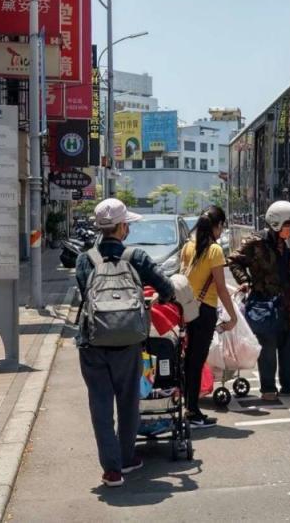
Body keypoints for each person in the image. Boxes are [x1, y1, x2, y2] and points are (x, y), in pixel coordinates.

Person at [75, 198, 175, 488]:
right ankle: (128, 457)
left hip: (93, 342)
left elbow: (86, 294)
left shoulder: (85, 259)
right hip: (129, 342)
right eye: (126, 224)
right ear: (121, 227)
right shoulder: (137, 257)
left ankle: (111, 469)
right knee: (128, 401)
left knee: (100, 403)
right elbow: (167, 288)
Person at [228, 201, 290, 402]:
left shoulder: (288, 243)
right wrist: (245, 281)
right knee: (267, 346)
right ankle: (268, 388)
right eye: (288, 226)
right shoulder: (256, 241)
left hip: (287, 302)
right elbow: (234, 260)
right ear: (276, 224)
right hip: (263, 302)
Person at [179, 206, 238, 428]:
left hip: (187, 309)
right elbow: (221, 288)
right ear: (217, 225)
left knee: (188, 360)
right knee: (196, 360)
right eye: (222, 225)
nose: (222, 230)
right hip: (204, 311)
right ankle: (193, 412)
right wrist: (233, 317)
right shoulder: (214, 251)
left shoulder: (188, 246)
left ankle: (188, 406)